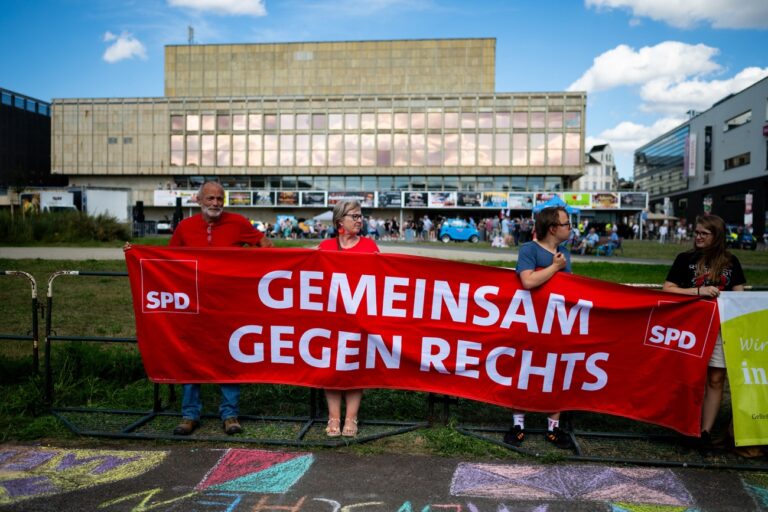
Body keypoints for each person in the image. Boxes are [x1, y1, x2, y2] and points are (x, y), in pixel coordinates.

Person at [131, 181, 273, 437]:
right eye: (210, 198)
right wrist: (135, 255)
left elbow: (266, 246)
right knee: (190, 356)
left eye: (219, 199)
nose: (215, 203)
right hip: (193, 305)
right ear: (198, 200)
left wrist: (247, 272)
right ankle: (190, 415)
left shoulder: (238, 222)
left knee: (229, 356)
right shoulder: (185, 227)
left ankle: (230, 414)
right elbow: (168, 263)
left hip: (229, 305)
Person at [663, 214, 745, 451]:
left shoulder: (731, 261)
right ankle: (686, 427)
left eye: (704, 233)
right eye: (696, 232)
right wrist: (698, 291)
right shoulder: (685, 258)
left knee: (716, 379)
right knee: (690, 379)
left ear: (716, 236)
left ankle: (705, 432)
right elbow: (668, 289)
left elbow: (740, 294)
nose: (698, 237)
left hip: (721, 329)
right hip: (690, 329)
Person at [504, 206, 574, 450]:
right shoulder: (529, 250)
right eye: (566, 224)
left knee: (557, 372)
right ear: (553, 228)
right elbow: (528, 281)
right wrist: (554, 268)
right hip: (529, 323)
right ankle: (518, 425)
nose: (570, 227)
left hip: (555, 324)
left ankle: (553, 428)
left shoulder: (565, 253)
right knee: (523, 371)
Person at [317, 200, 379, 437]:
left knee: (354, 367)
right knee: (330, 367)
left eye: (360, 215)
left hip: (358, 319)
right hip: (330, 319)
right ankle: (333, 417)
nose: (359, 220)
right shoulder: (325, 246)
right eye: (353, 216)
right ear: (339, 221)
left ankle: (351, 419)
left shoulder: (369, 246)